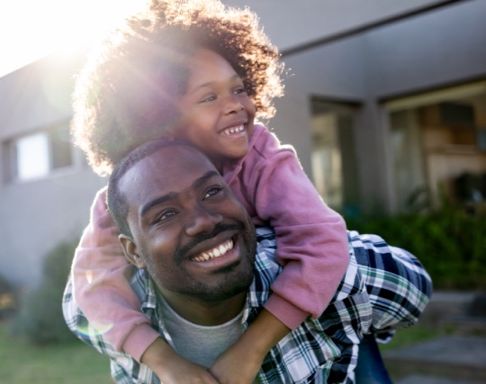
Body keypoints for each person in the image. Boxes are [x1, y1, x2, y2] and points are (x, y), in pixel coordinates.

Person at [69, 1, 352, 381]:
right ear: (159, 118)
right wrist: (165, 362)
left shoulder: (262, 155)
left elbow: (324, 242)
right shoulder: (125, 194)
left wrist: (251, 349)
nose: (236, 106)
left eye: (238, 88)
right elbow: (90, 287)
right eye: (209, 97)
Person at [63, 139, 432, 383]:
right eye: (165, 215)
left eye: (211, 191)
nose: (204, 220)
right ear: (132, 252)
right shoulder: (108, 313)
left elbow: (416, 288)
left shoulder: (330, 271)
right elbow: (81, 298)